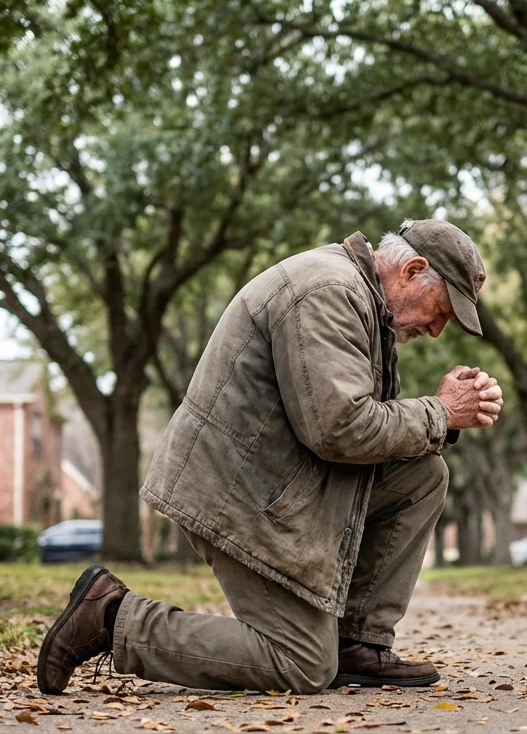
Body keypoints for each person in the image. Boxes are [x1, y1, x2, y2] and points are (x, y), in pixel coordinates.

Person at [36, 219, 503, 695]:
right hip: (235, 496)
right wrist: (440, 413)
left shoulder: (363, 302)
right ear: (413, 269)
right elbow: (338, 429)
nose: (438, 330)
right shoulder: (328, 292)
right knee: (300, 664)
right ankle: (111, 618)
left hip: (272, 484)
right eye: (442, 310)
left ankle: (356, 644)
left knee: (421, 476)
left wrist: (440, 419)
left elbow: (358, 426)